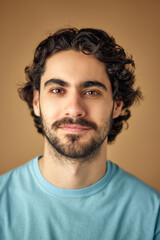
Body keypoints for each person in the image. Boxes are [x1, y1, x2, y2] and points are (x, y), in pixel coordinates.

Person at [0, 28, 159, 240]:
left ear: (116, 105)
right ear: (36, 101)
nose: (74, 109)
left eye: (91, 92)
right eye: (58, 90)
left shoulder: (153, 215)